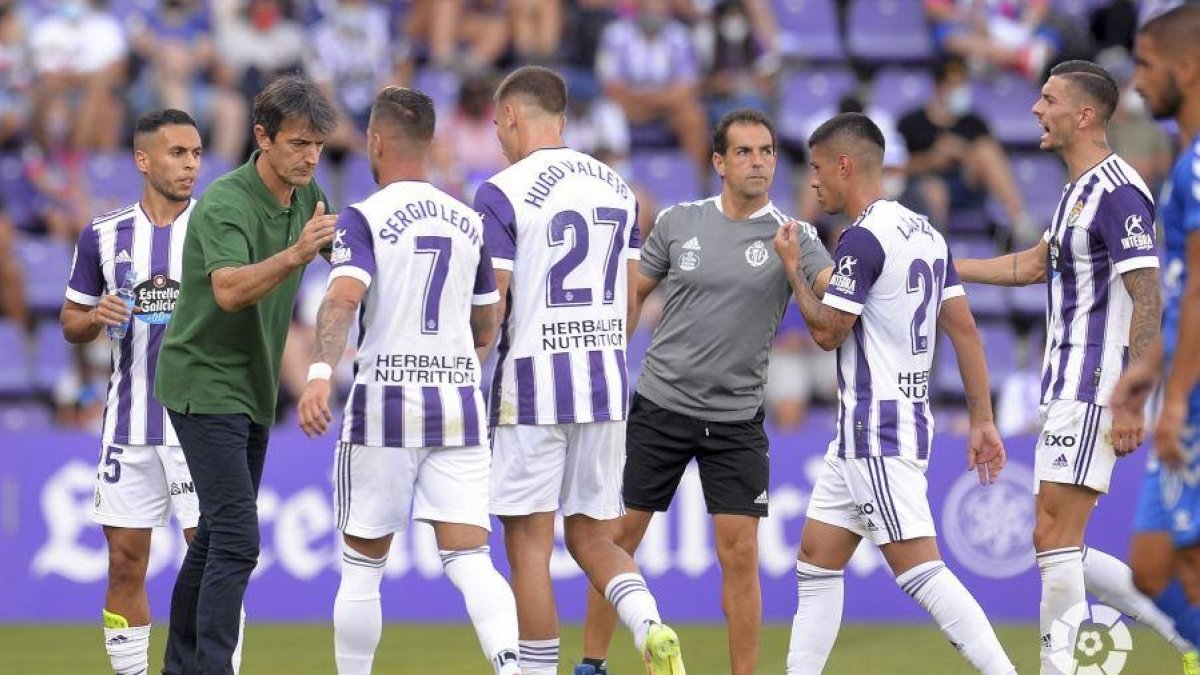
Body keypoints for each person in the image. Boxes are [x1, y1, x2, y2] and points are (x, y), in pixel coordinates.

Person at [579, 107, 833, 675]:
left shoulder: (796, 235)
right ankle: (591, 665)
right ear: (718, 162)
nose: (758, 162)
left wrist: (793, 267)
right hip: (661, 405)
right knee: (618, 540)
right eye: (744, 152)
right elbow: (634, 293)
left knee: (740, 555)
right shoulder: (678, 222)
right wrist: (605, 358)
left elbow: (835, 306)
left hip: (737, 418)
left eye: (766, 151)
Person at [778, 111, 1015, 675]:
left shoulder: (863, 237)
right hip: (885, 422)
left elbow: (827, 331)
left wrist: (793, 265)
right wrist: (982, 419)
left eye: (817, 169)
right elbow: (964, 329)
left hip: (874, 426)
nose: (813, 183)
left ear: (844, 164)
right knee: (815, 559)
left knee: (919, 570)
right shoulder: (925, 232)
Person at [295, 86, 521, 675]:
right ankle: (512, 667)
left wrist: (320, 373)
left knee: (363, 564)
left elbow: (343, 300)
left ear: (374, 141)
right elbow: (486, 320)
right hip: (459, 405)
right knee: (472, 559)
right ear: (431, 144)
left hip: (386, 403)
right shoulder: (468, 220)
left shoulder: (363, 217)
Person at [954, 61, 1171, 675]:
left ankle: (1060, 669)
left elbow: (1148, 295)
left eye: (1047, 99)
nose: (1034, 109)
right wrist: (950, 267)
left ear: (1083, 115)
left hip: (1097, 385)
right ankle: (1185, 633)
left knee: (1052, 538)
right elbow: (1032, 265)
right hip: (1069, 383)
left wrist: (1131, 399)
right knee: (1057, 540)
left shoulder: (1118, 192)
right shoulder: (1078, 190)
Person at [474, 65, 684, 675]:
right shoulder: (621, 189)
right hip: (605, 385)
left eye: (498, 126)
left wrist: (471, 365)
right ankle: (650, 627)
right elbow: (629, 300)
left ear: (513, 116)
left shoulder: (502, 190)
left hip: (533, 388)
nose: (498, 139)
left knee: (529, 547)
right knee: (594, 537)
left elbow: (497, 303)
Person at [154, 74, 338, 675]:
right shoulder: (226, 202)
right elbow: (230, 291)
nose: (310, 157)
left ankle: (180, 666)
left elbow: (351, 260)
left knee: (211, 536)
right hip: (202, 380)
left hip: (252, 385)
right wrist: (295, 256)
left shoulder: (311, 195)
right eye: (298, 144)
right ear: (262, 137)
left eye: (317, 145)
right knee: (238, 537)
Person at [59, 108, 207, 675]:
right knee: (125, 563)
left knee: (212, 558)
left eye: (195, 153)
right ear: (143, 160)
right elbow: (70, 323)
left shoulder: (215, 225)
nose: (190, 164)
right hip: (129, 424)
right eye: (177, 153)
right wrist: (96, 313)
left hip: (199, 422)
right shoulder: (103, 233)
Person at [1110, 5, 1200, 670]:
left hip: (1194, 396)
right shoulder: (1185, 162)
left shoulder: (1198, 167)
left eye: (1145, 64)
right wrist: (1150, 372)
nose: (1136, 83)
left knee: (1191, 561)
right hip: (1180, 380)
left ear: (1186, 68)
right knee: (1150, 564)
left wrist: (1174, 400)